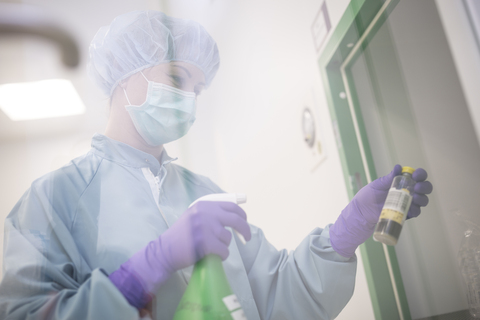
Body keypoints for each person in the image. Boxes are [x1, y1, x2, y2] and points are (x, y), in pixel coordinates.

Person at [0, 10, 433, 320]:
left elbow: (276, 298)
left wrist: (345, 232)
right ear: (122, 73)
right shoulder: (53, 199)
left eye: (198, 88)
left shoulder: (203, 192)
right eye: (176, 78)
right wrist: (148, 267)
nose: (188, 98)